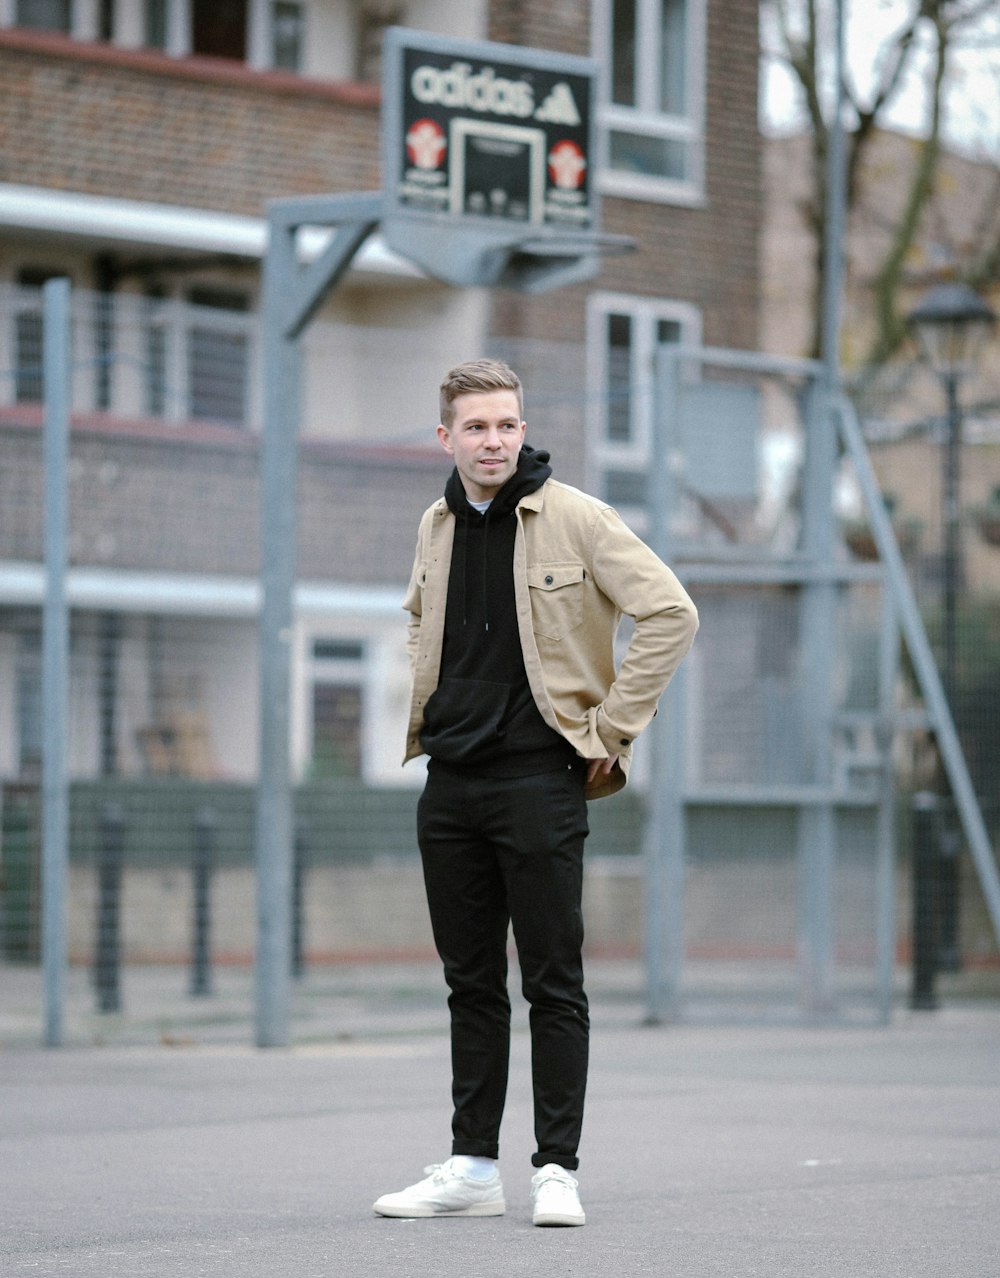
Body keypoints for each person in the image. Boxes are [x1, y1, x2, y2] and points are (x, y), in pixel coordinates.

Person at [373, 358, 698, 1227]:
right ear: (446, 436)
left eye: (506, 425)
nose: (494, 441)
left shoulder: (579, 518)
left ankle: (557, 1168)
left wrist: (612, 729)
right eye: (476, 427)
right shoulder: (435, 524)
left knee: (554, 982)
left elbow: (671, 612)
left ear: (523, 429)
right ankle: (473, 1166)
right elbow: (416, 614)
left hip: (539, 781)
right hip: (450, 784)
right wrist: (432, 693)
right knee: (469, 983)